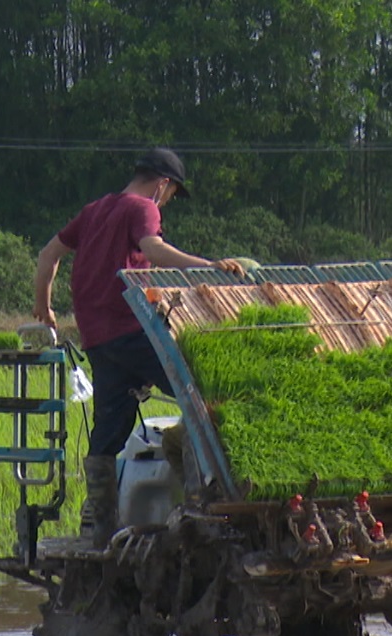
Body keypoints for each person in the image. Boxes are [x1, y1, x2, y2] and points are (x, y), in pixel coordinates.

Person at [31, 147, 244, 547]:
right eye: (171, 195)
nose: (167, 203)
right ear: (163, 184)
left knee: (109, 430)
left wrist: (44, 307)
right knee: (200, 399)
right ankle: (202, 513)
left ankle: (100, 528)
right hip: (133, 331)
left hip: (98, 339)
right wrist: (211, 266)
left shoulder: (94, 210)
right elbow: (155, 251)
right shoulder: (142, 208)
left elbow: (48, 256)